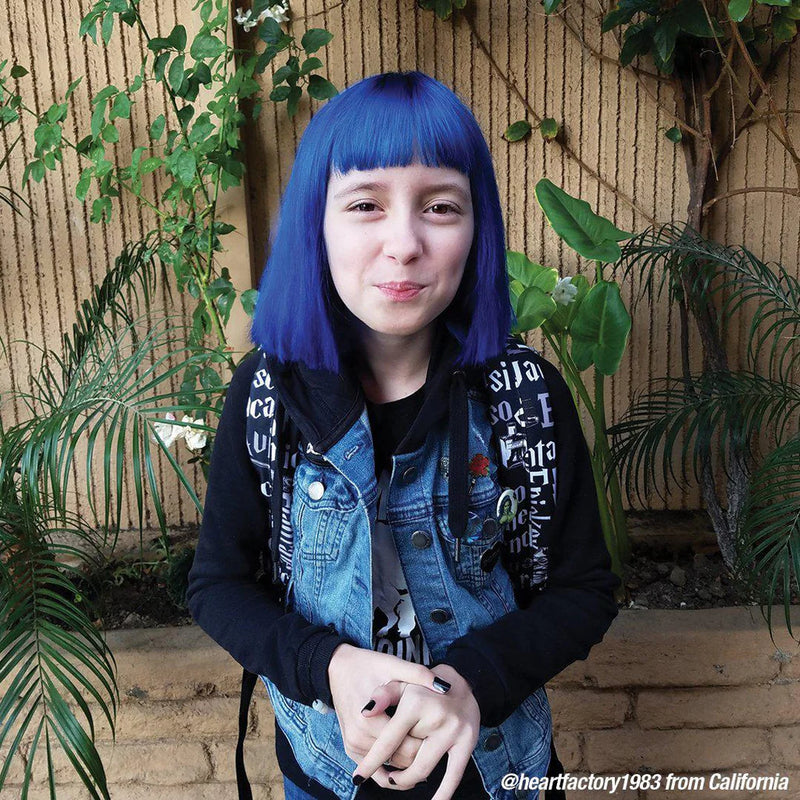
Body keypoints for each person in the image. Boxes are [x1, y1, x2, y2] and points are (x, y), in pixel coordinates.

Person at [186, 70, 620, 800]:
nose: (404, 243)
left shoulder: (525, 400)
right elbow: (218, 586)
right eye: (364, 204)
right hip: (326, 771)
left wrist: (473, 682)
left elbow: (583, 590)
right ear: (315, 226)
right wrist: (328, 664)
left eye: (440, 206)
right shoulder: (268, 396)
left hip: (497, 770)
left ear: (476, 226)